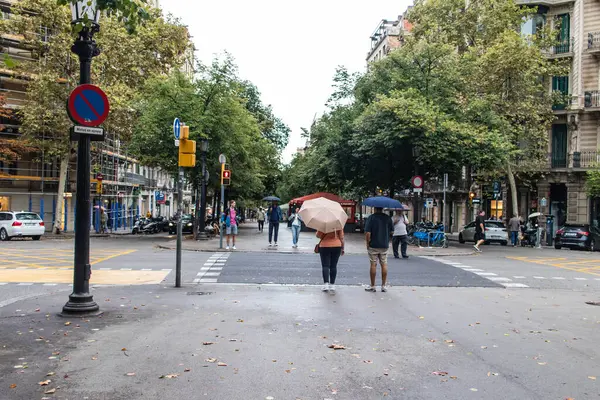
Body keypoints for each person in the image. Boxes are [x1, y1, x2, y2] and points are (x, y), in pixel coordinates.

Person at [364, 207, 394, 292]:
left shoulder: (371, 218)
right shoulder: (387, 218)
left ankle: (373, 286)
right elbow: (392, 232)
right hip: (384, 245)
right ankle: (383, 286)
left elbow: (368, 233)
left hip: (373, 244)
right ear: (382, 209)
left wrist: (367, 243)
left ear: (375, 208)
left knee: (373, 264)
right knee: (384, 264)